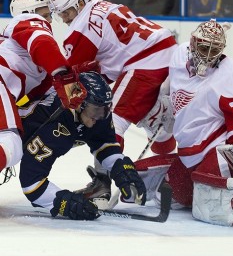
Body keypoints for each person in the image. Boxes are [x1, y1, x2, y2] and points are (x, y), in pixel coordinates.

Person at [123, 19, 233, 234]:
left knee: (206, 201)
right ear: (192, 43)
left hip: (216, 151)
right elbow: (171, 86)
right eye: (204, 48)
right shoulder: (179, 55)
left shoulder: (229, 74)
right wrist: (164, 104)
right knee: (167, 195)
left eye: (214, 50)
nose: (208, 56)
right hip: (189, 155)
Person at [50, 0, 177, 196]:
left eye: (67, 12)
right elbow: (110, 58)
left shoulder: (80, 29)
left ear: (80, 4)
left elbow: (68, 78)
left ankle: (103, 183)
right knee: (151, 117)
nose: (64, 18)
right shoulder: (103, 5)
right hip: (165, 50)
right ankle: (171, 168)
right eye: (60, 14)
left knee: (109, 121)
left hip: (146, 62)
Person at [19, 69, 146, 220]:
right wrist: (64, 202)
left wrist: (119, 166)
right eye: (96, 110)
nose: (101, 116)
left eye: (105, 109)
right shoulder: (54, 126)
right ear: (79, 104)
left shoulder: (94, 111)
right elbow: (31, 182)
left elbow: (104, 143)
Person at [0, 0, 87, 175]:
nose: (48, 21)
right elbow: (41, 42)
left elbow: (46, 92)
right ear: (28, 13)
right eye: (45, 15)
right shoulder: (26, 23)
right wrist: (68, 79)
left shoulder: (19, 52)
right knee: (10, 144)